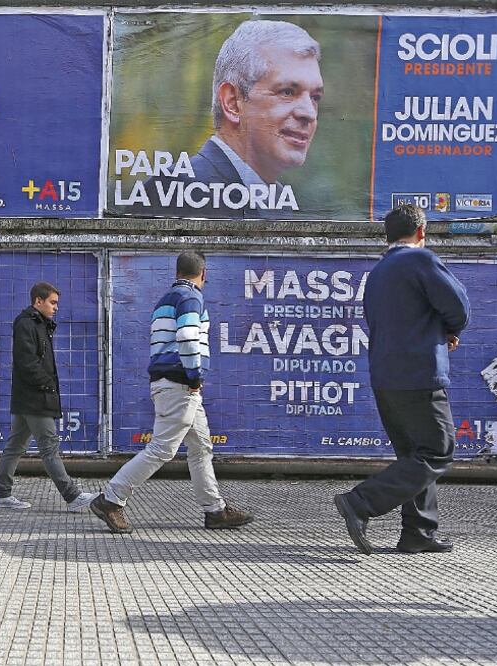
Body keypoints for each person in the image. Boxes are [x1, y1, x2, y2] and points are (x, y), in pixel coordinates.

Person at [334, 204, 470, 555]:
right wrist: (449, 329)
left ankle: (418, 532)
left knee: (414, 454)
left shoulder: (378, 272)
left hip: (385, 376)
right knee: (439, 450)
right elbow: (458, 306)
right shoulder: (420, 261)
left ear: (387, 235)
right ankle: (361, 502)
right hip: (419, 372)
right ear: (422, 232)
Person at [90, 252, 254, 533]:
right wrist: (194, 375)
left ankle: (214, 511)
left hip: (173, 382)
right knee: (162, 449)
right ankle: (111, 498)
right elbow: (188, 338)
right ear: (203, 273)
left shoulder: (166, 299)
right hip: (180, 383)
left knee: (202, 447)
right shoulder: (191, 298)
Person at [146, 20, 323, 219]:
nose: (309, 113)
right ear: (233, 102)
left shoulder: (277, 202)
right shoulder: (175, 191)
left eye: (315, 97)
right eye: (288, 92)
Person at [0, 282, 97, 511]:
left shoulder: (39, 324)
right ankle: (72, 497)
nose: (56, 307)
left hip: (29, 396)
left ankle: (1, 493)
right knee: (49, 447)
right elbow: (27, 362)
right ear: (38, 301)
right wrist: (46, 384)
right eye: (52, 302)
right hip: (34, 398)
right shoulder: (27, 324)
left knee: (16, 445)